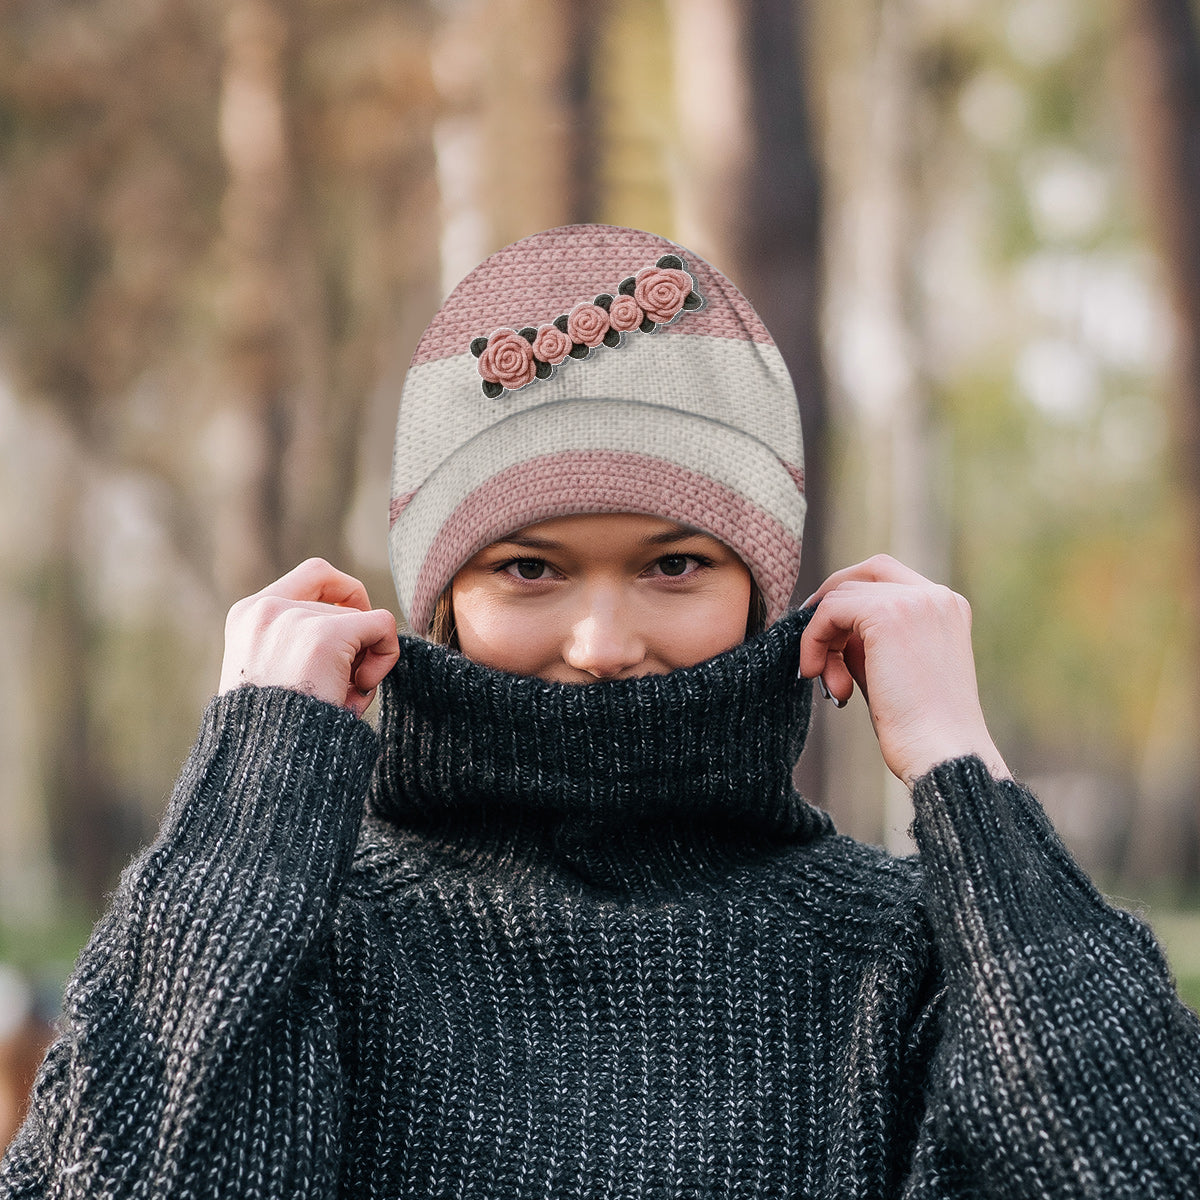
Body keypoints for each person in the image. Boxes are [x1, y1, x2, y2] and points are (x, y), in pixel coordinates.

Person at [3, 224, 1198, 1198]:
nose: (604, 642)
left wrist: (963, 773)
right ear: (443, 600)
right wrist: (243, 818)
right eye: (529, 568)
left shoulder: (903, 959)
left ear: (762, 588)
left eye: (675, 564)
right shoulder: (310, 943)